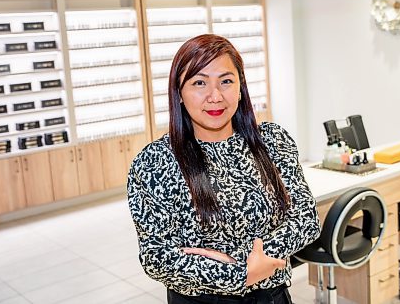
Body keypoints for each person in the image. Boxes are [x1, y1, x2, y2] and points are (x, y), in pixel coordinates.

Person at [127, 34, 320, 304]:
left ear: (240, 88)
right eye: (199, 83)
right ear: (179, 93)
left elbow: (306, 220)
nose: (215, 96)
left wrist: (253, 266)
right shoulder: (154, 162)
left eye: (226, 81)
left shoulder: (272, 141)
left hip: (271, 297)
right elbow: (156, 256)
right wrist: (240, 275)